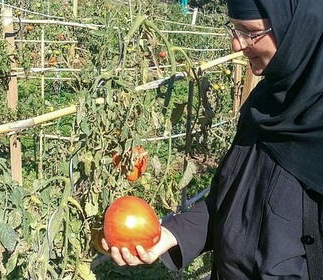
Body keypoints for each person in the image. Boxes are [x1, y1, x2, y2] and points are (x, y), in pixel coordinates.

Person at [102, 0, 323, 278]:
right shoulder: (263, 106)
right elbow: (228, 201)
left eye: (249, 31)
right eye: (234, 29)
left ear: (298, 29)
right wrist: (167, 235)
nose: (236, 44)